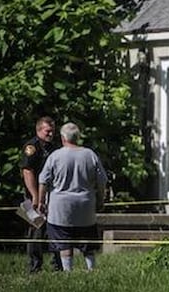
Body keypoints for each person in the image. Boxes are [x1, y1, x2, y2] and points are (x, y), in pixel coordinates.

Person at [38, 122, 107, 271]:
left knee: (64, 242)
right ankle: (92, 270)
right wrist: (100, 200)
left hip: (60, 209)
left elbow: (43, 181)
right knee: (87, 242)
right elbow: (102, 181)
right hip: (85, 208)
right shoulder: (90, 154)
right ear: (78, 137)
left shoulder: (55, 156)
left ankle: (68, 272)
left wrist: (41, 202)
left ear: (63, 138)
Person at [19, 116, 62, 273]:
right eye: (47, 131)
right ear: (38, 130)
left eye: (53, 131)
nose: (51, 134)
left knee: (55, 229)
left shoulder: (54, 147)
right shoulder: (31, 147)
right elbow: (27, 171)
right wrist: (35, 196)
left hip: (52, 195)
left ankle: (58, 266)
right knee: (36, 230)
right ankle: (34, 267)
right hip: (32, 196)